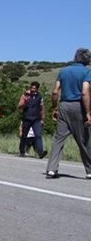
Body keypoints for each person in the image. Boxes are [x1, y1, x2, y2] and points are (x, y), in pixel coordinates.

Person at [45, 48, 91, 179]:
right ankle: (89, 171)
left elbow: (54, 92)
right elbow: (85, 92)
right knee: (84, 140)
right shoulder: (87, 72)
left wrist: (54, 108)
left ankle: (51, 170)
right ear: (87, 60)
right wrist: (88, 112)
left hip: (64, 106)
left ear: (75, 58)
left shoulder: (63, 71)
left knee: (58, 139)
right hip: (79, 106)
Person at [17, 81, 47, 158]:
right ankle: (22, 151)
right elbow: (19, 106)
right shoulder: (25, 95)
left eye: (35, 88)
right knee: (24, 135)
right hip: (26, 118)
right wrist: (26, 99)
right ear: (30, 87)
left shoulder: (40, 97)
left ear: (37, 89)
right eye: (32, 88)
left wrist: (42, 119)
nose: (33, 89)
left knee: (38, 135)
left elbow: (42, 108)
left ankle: (40, 152)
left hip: (36, 119)